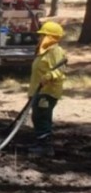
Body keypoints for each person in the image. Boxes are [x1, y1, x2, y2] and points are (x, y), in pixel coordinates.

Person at [28, 21, 67, 157]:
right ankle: (41, 141)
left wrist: (50, 76)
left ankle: (45, 147)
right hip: (39, 91)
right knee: (38, 116)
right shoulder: (45, 51)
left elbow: (60, 70)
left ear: (50, 37)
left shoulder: (55, 51)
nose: (40, 38)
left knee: (41, 117)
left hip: (47, 92)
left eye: (43, 35)